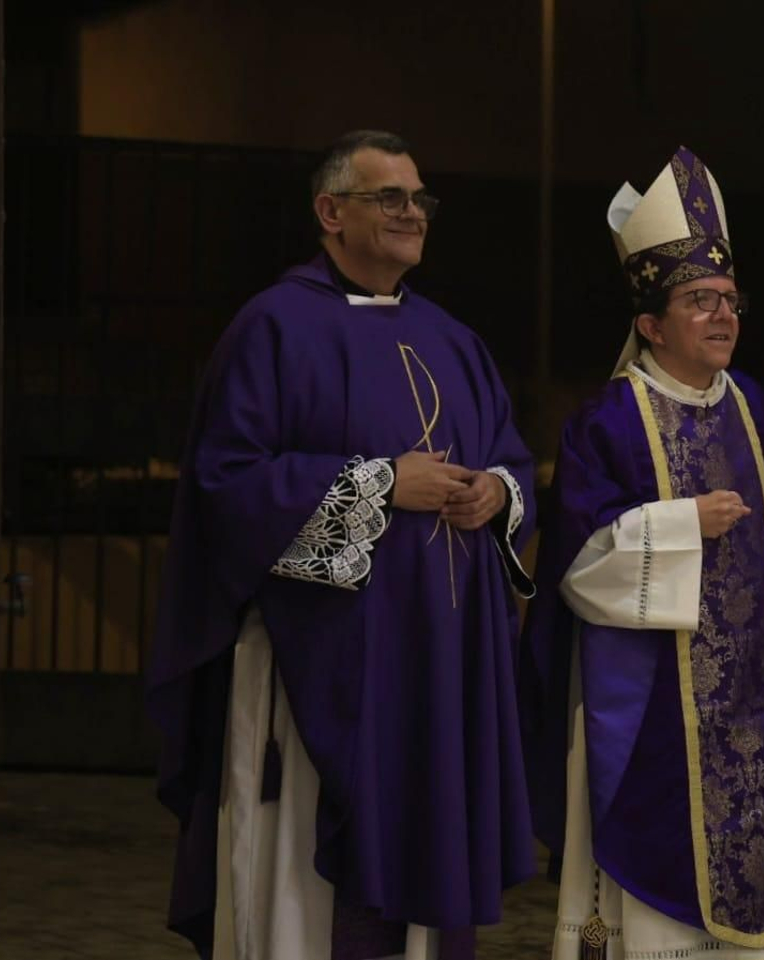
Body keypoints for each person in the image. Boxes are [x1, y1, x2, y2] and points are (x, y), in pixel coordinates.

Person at [146, 130, 538, 960]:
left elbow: (510, 454)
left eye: (419, 198)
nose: (411, 213)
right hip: (320, 659)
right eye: (387, 197)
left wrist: (497, 492)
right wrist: (383, 486)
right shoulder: (274, 329)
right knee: (316, 905)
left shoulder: (455, 340)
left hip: (437, 665)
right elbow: (228, 487)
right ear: (330, 213)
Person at [520, 146, 764, 959]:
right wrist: (677, 526)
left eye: (730, 301)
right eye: (700, 301)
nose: (722, 317)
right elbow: (575, 568)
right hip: (651, 717)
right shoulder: (605, 422)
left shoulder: (754, 410)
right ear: (649, 324)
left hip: (755, 712)